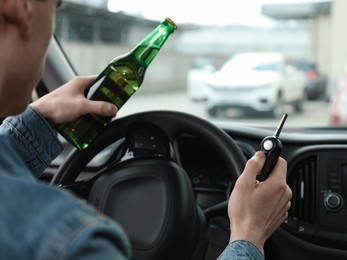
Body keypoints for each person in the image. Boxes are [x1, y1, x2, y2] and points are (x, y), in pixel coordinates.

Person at [0, 0, 292, 259]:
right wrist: (249, 234)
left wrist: (37, 121)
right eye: (57, 6)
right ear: (21, 7)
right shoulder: (71, 242)